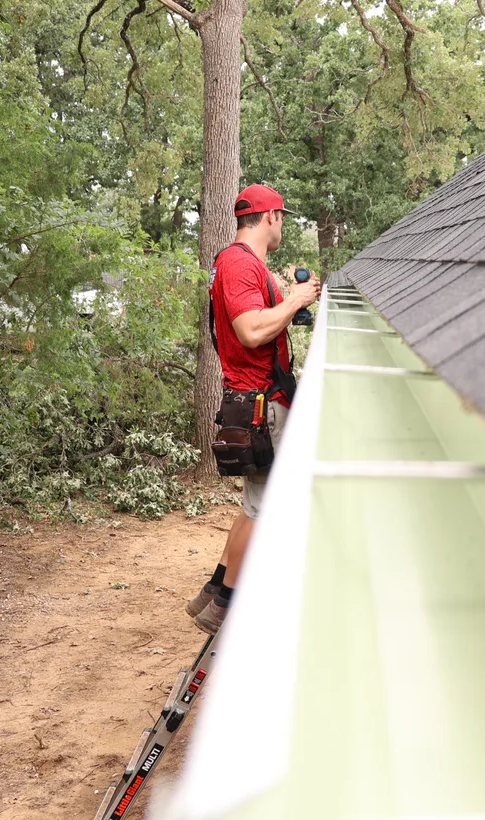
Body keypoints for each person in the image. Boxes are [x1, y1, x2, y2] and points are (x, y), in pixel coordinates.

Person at [187, 184, 320, 635]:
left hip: (255, 400)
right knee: (264, 509)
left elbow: (258, 319)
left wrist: (287, 303)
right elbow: (248, 331)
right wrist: (295, 300)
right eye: (282, 217)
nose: (282, 224)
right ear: (270, 218)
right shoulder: (241, 264)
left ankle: (214, 592)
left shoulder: (238, 264)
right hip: (261, 405)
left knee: (252, 505)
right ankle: (226, 605)